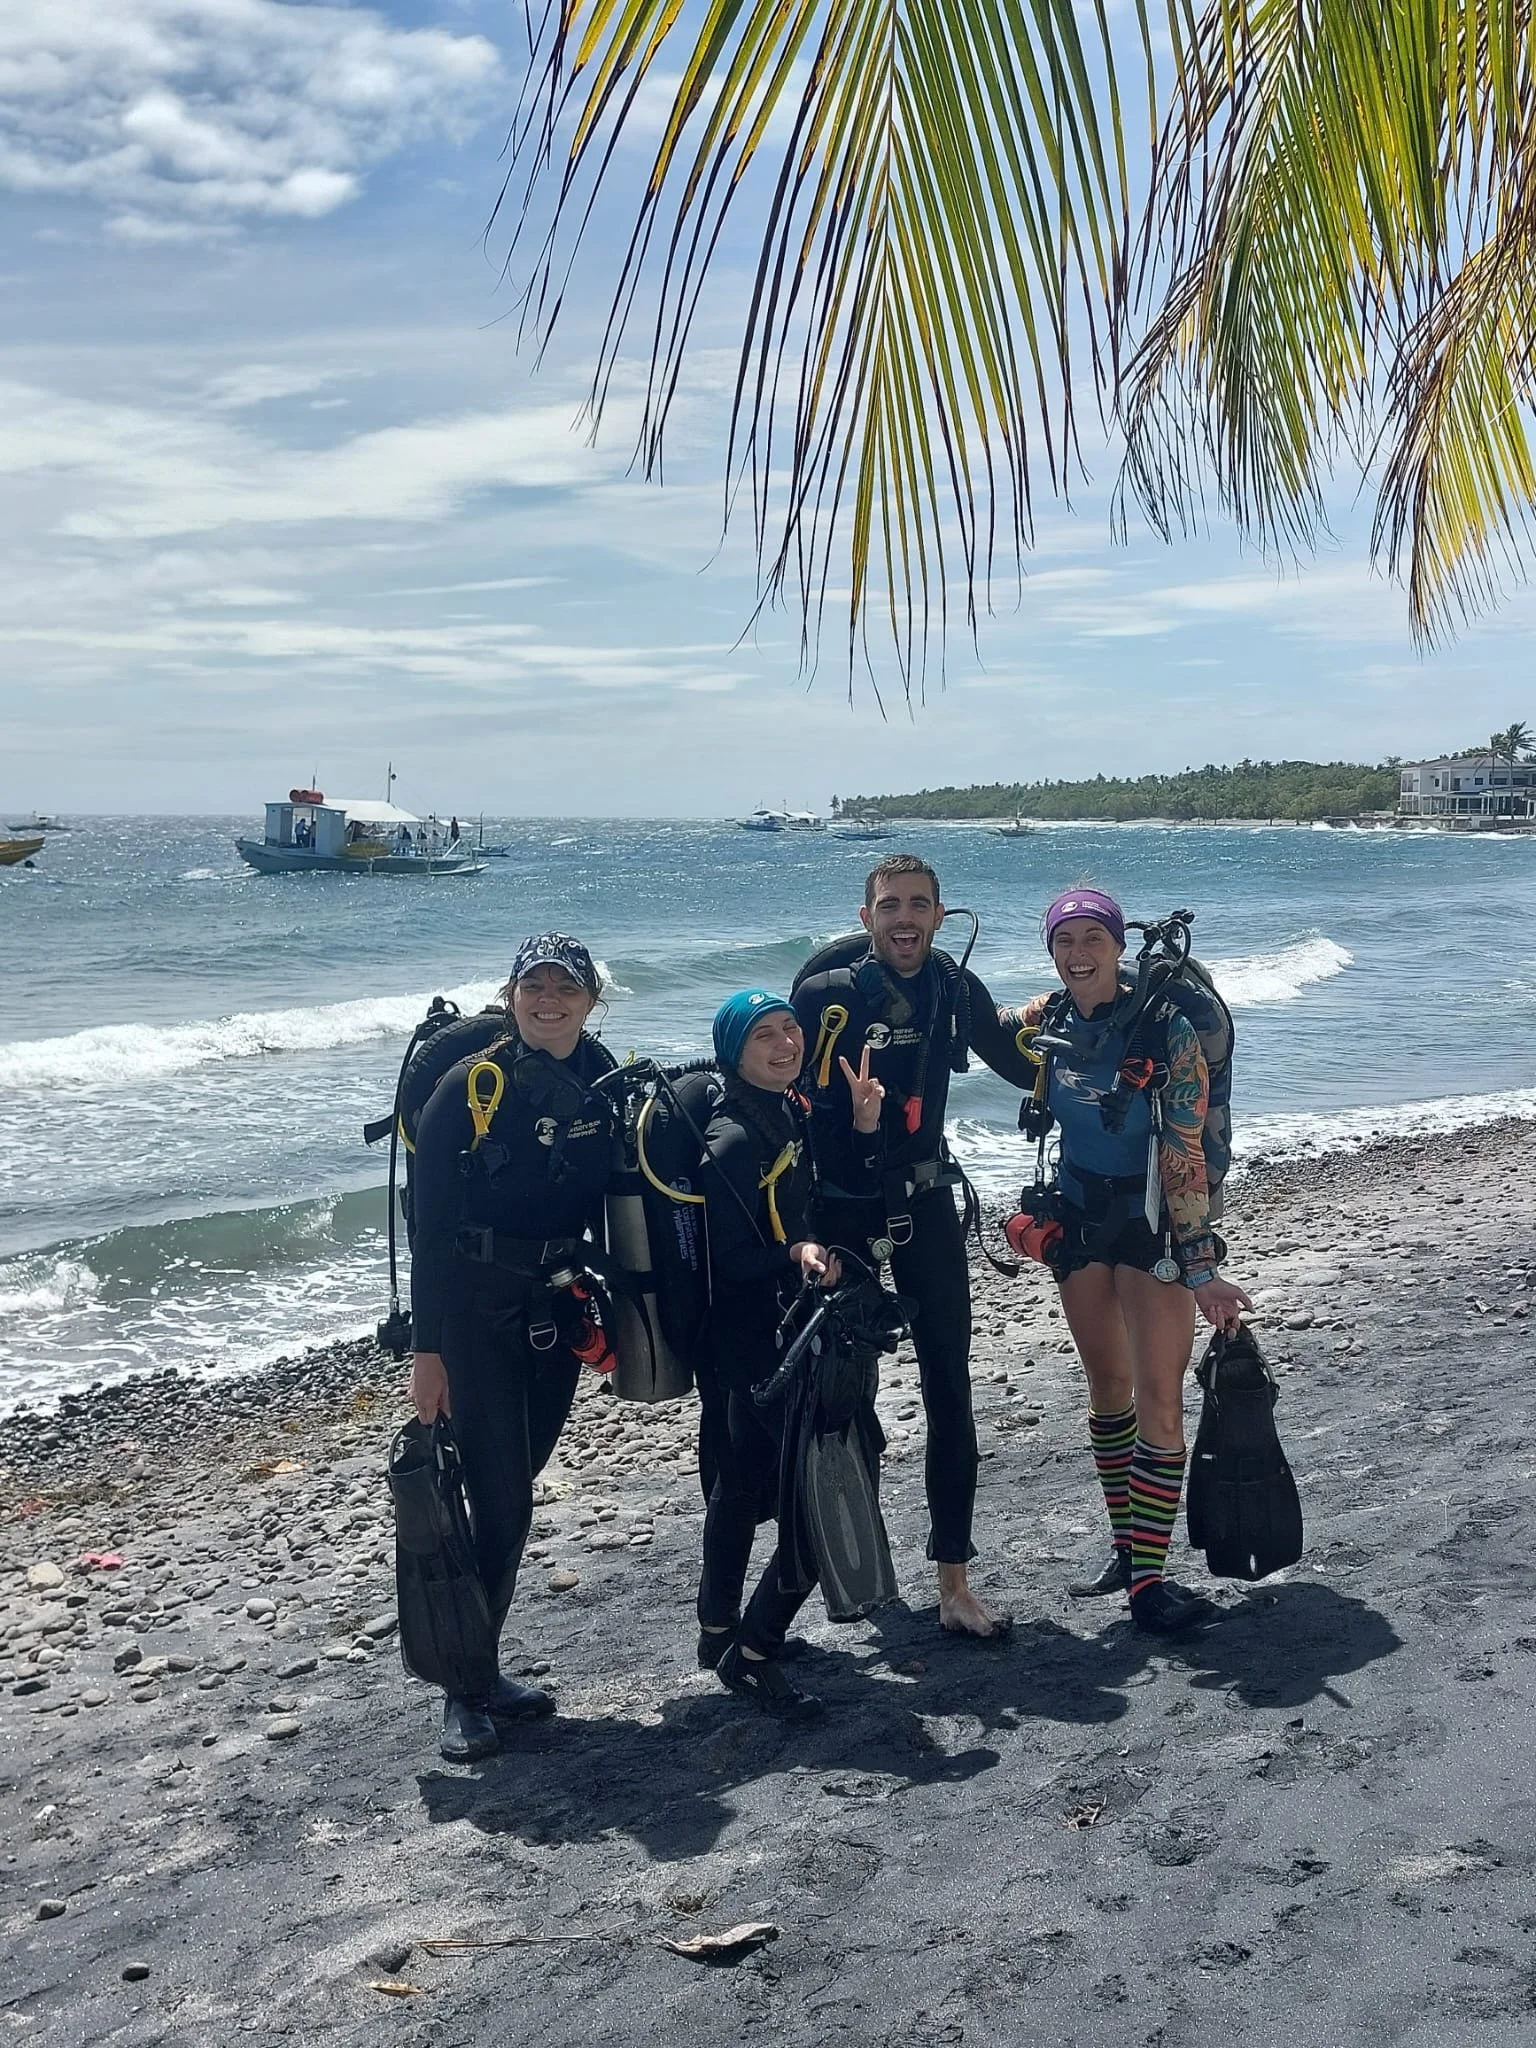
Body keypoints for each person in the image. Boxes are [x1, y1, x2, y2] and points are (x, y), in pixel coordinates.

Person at [793, 854, 1037, 1638]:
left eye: (919, 904)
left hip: (927, 1204)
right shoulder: (826, 999)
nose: (905, 917)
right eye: (890, 904)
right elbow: (784, 1110)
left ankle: (954, 1586)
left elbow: (1020, 1066)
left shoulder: (957, 993)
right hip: (845, 1212)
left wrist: (1102, 1033)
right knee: (834, 1396)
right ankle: (842, 1573)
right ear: (866, 918)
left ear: (940, 915)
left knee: (950, 1394)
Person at [1016, 887, 1252, 1633]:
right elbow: (976, 1029)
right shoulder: (1047, 1017)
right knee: (1107, 1388)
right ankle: (1129, 1547)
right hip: (1082, 1220)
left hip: (1152, 1222)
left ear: (1119, 948)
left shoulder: (1167, 1030)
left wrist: (1201, 1265)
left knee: (1158, 1397)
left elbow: (1183, 1151)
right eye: (1064, 941)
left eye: (1093, 938)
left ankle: (1148, 1584)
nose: (1078, 954)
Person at [408, 933, 617, 1761]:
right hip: (473, 1314)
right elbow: (425, 1228)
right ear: (511, 994)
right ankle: (463, 1691)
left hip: (555, 1310)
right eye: (535, 985)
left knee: (514, 1484)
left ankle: (480, 1672)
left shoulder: (604, 1078)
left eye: (566, 987)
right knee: (502, 1499)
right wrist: (429, 1353)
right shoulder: (471, 1085)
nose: (550, 999)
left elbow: (630, 1193)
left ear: (591, 998)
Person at [695, 990, 884, 1718]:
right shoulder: (735, 1137)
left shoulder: (788, 1109)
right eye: (764, 1037)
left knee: (741, 1488)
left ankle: (716, 1632)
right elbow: (730, 1257)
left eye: (790, 1030)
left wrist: (864, 1125)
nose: (784, 1044)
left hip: (763, 1338)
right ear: (733, 1051)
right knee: (834, 1482)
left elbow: (835, 1197)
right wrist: (795, 1252)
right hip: (761, 1345)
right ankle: (755, 1649)